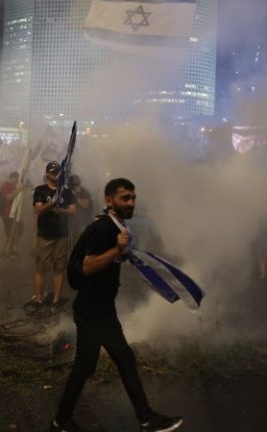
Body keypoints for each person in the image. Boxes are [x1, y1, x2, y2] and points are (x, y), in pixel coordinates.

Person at [49, 178, 182, 432]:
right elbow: (88, 266)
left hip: (100, 309)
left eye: (133, 198)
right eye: (125, 198)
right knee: (111, 362)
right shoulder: (105, 229)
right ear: (109, 200)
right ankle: (145, 419)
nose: (131, 203)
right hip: (92, 310)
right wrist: (117, 251)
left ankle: (62, 422)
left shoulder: (115, 226)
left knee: (103, 363)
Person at [32, 161, 76, 308]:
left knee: (59, 268)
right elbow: (38, 210)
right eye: (52, 172)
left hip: (61, 235)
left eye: (57, 172)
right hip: (44, 235)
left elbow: (73, 211)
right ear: (47, 174)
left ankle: (56, 299)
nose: (55, 174)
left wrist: (61, 211)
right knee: (40, 268)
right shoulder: (40, 190)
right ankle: (38, 298)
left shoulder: (67, 192)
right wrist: (52, 204)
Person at [0, 171, 24, 258]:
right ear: (12, 177)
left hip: (13, 213)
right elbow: (9, 197)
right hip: (7, 212)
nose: (16, 181)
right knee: (8, 233)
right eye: (16, 179)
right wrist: (19, 190)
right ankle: (3, 252)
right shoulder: (5, 184)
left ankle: (11, 250)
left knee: (18, 230)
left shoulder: (13, 186)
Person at [69, 175, 93, 244]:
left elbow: (85, 205)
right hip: (73, 225)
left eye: (75, 185)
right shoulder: (69, 193)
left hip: (84, 224)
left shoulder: (84, 192)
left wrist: (76, 196)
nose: (74, 187)